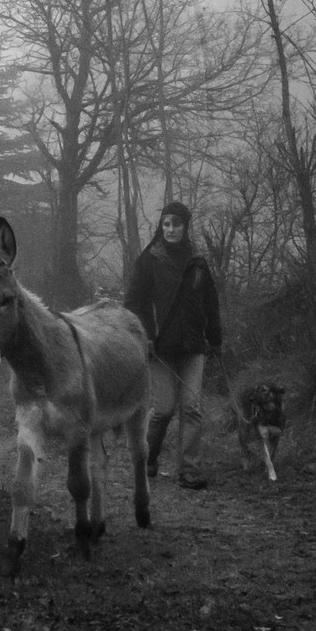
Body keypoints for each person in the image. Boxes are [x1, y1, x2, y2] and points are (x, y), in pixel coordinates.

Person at [123, 201, 224, 490]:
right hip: (160, 347)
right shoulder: (148, 260)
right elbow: (133, 304)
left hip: (193, 346)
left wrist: (215, 339)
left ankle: (189, 470)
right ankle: (149, 455)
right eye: (166, 224)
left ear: (185, 227)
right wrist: (145, 337)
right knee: (164, 409)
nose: (170, 229)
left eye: (176, 224)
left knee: (191, 408)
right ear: (161, 226)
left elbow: (210, 303)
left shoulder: (198, 262)